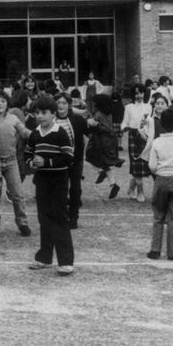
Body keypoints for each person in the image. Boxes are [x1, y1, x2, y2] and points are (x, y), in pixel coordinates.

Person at [24, 96, 76, 276]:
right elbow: (27, 154)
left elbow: (68, 157)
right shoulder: (34, 133)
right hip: (42, 181)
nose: (40, 116)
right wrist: (31, 163)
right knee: (43, 218)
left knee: (59, 218)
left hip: (59, 180)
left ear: (53, 114)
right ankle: (44, 258)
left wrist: (47, 162)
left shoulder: (61, 132)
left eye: (44, 113)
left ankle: (66, 261)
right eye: (37, 112)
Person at [0, 91, 32, 237]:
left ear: (7, 104)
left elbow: (24, 132)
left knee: (18, 194)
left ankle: (22, 223)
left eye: (3, 101)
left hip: (11, 162)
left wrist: (37, 134)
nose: (0, 104)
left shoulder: (13, 118)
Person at [146, 108, 173, 260]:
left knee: (158, 215)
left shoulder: (157, 142)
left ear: (162, 124)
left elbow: (152, 166)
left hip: (161, 179)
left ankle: (155, 250)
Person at [53, 93, 87, 229]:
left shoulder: (77, 119)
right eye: (58, 103)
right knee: (59, 189)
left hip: (75, 159)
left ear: (69, 105)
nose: (61, 105)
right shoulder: (50, 120)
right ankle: (62, 215)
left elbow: (88, 134)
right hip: (57, 160)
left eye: (64, 103)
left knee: (75, 189)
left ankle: (74, 216)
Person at [85, 93, 124, 200]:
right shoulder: (107, 114)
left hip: (102, 142)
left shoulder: (99, 115)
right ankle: (111, 182)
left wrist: (93, 124)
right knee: (100, 160)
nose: (92, 105)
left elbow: (106, 128)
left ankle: (104, 173)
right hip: (106, 141)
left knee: (91, 156)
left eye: (94, 103)